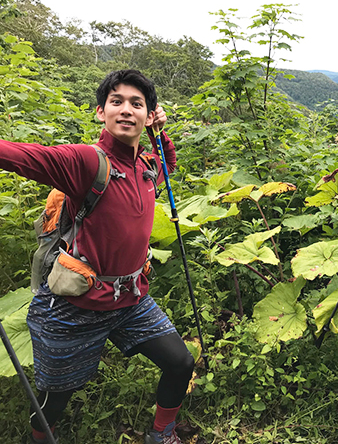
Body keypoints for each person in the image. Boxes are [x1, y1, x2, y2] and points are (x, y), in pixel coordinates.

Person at [0, 69, 195, 444]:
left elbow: (166, 165)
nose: (126, 110)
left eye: (136, 104)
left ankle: (161, 434)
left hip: (129, 299)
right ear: (100, 112)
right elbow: (25, 156)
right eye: (116, 101)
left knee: (181, 362)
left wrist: (159, 134)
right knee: (53, 399)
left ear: (148, 114)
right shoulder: (87, 163)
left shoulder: (144, 167)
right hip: (73, 305)